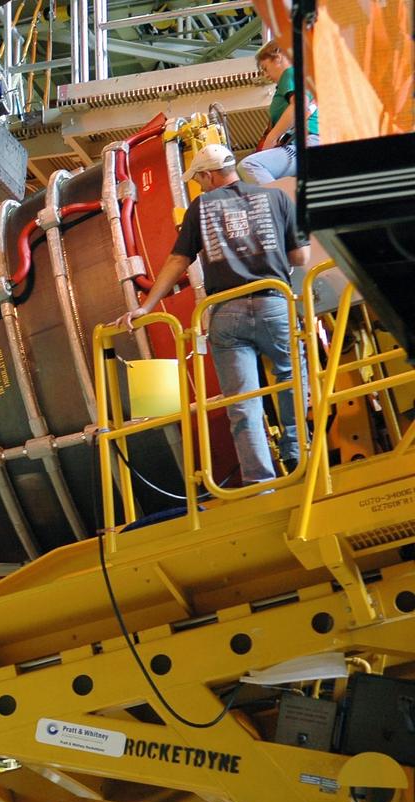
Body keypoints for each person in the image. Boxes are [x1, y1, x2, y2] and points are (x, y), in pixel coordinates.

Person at [118, 144, 311, 485]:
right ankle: (297, 452)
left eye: (199, 180)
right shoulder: (276, 198)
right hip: (274, 303)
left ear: (208, 175)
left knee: (243, 402)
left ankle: (259, 481)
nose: (200, 186)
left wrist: (146, 306)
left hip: (227, 314)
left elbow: (179, 260)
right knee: (290, 378)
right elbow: (301, 258)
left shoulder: (201, 207)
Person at [239, 42, 319, 184]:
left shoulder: (289, 73)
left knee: (249, 165)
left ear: (278, 57)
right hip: (309, 141)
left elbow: (299, 104)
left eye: (265, 68)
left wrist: (272, 137)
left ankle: (276, 198)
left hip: (308, 141)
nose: (266, 75)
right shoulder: (300, 77)